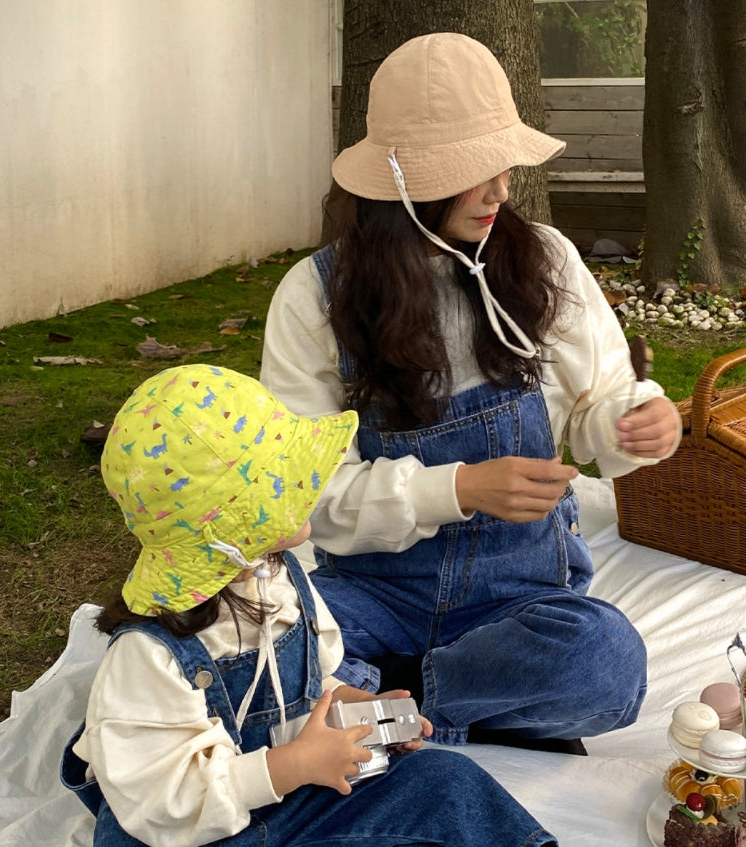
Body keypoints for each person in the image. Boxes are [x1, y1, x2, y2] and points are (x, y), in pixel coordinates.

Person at [259, 32, 682, 753]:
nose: (501, 190)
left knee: (606, 662)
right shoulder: (313, 296)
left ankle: (393, 705)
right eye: (472, 171)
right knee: (256, 637)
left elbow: (598, 402)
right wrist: (457, 489)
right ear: (403, 183)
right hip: (375, 592)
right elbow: (301, 493)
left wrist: (633, 424)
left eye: (502, 166)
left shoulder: (544, 258)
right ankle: (432, 698)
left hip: (519, 598)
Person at [60, 363, 558, 847]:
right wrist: (292, 766)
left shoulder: (278, 578)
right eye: (288, 484)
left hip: (289, 801)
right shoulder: (148, 657)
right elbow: (158, 804)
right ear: (236, 525)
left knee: (444, 778)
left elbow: (305, 686)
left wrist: (344, 707)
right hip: (194, 832)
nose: (313, 488)